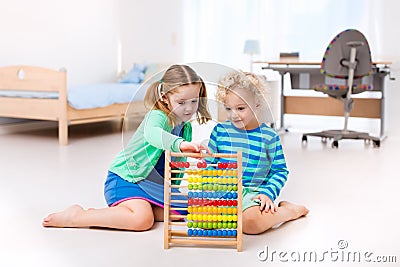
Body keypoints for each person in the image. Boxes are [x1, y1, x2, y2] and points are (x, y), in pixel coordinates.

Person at [43, 64, 211, 231]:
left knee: (183, 210)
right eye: (181, 102)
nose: (189, 108)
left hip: (154, 186)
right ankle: (77, 216)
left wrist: (194, 152)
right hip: (127, 179)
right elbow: (153, 134)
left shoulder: (185, 127)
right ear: (165, 98)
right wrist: (179, 144)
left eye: (194, 101)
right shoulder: (157, 116)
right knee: (142, 220)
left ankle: (114, 215)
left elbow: (172, 162)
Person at [207, 71, 309, 234]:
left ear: (257, 104)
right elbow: (209, 165)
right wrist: (210, 184)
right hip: (223, 192)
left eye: (240, 108)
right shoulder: (220, 131)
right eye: (228, 108)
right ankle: (233, 217)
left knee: (252, 223)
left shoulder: (268, 137)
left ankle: (290, 211)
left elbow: (280, 171)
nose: (234, 115)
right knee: (196, 218)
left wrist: (267, 193)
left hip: (253, 195)